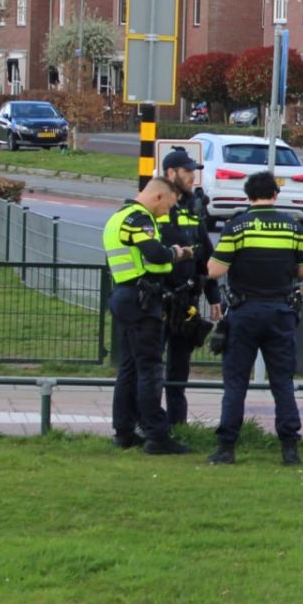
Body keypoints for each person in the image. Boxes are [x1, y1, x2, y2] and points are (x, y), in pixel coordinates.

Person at [205, 170, 303, 466]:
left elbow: (215, 271)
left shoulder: (237, 226)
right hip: (280, 312)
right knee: (282, 381)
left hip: (244, 312)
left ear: (248, 195)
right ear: (275, 195)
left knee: (236, 382)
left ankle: (226, 447)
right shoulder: (293, 227)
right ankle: (290, 448)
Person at [102, 177, 193, 455]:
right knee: (151, 368)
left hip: (125, 296)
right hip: (141, 300)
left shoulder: (118, 216)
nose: (168, 212)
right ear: (157, 197)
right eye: (168, 205)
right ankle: (156, 435)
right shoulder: (138, 219)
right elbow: (154, 254)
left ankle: (124, 431)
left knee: (129, 368)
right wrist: (176, 253)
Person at [156, 149, 218, 427]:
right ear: (171, 174)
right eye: (187, 171)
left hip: (187, 300)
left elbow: (206, 253)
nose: (193, 177)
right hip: (158, 300)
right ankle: (149, 423)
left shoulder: (194, 208)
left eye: (194, 172)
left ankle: (177, 425)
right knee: (152, 365)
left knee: (180, 368)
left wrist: (213, 295)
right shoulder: (157, 206)